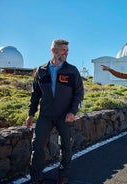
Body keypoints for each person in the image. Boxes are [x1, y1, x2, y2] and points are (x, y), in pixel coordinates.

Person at [26, 39, 84, 184]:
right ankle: (36, 177)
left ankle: (63, 175)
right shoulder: (41, 70)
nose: (67, 53)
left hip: (65, 116)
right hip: (45, 116)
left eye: (67, 50)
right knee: (37, 144)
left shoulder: (72, 70)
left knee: (65, 146)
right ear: (54, 51)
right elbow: (35, 94)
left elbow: (79, 93)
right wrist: (31, 114)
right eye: (64, 50)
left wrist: (72, 111)